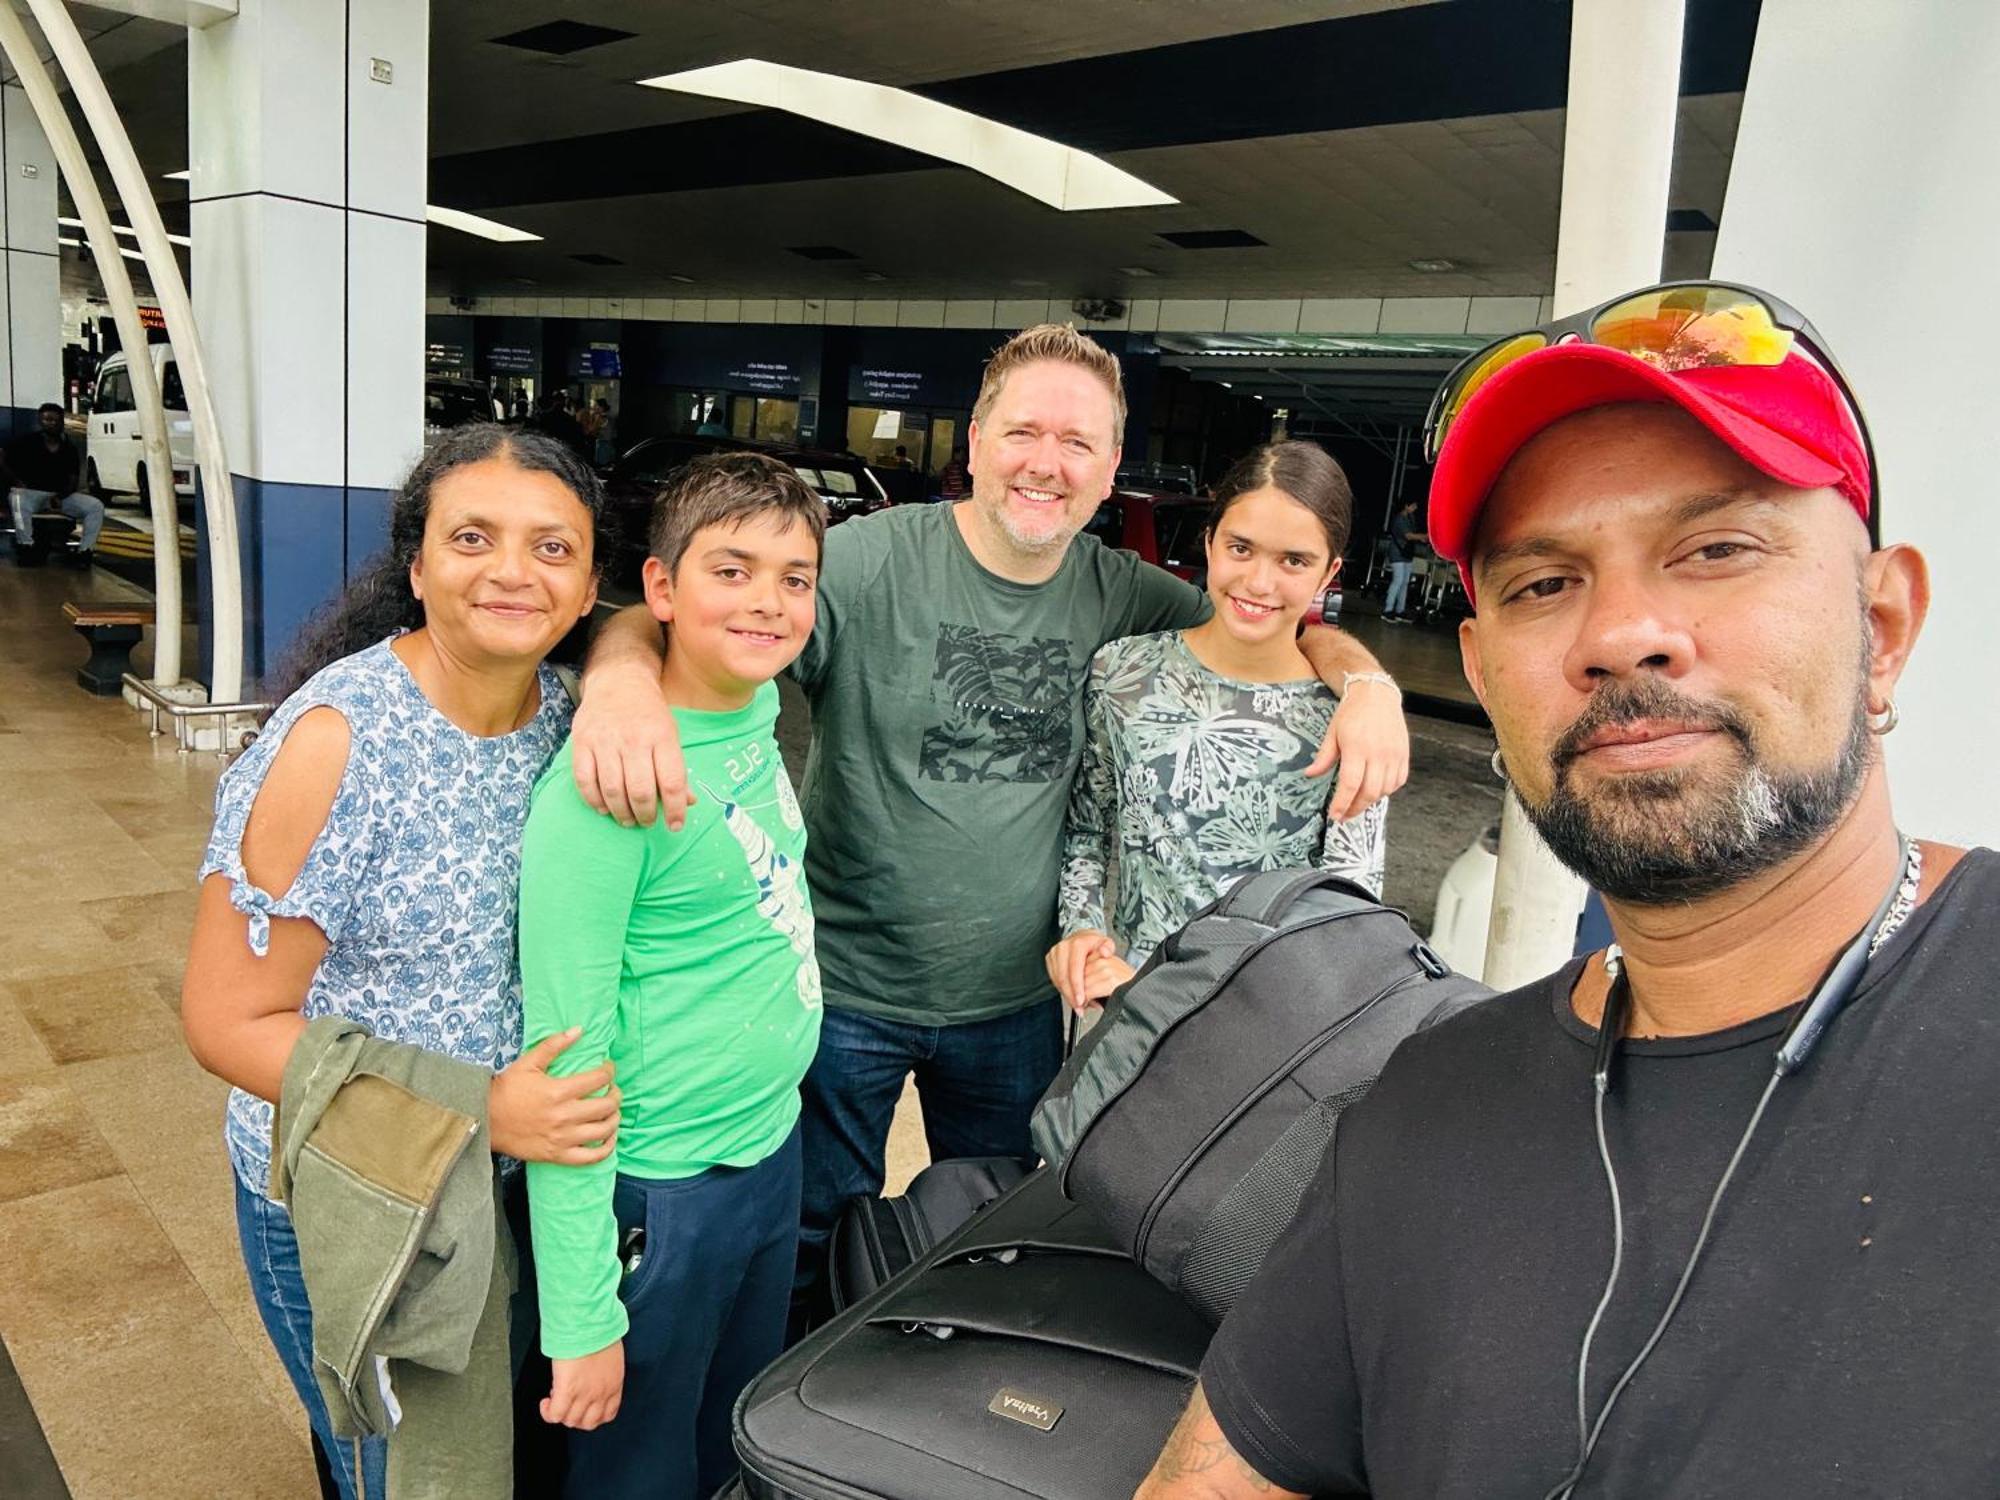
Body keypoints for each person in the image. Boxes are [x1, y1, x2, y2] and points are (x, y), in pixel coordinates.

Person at [1135, 282, 1995, 1500]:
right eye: (1542, 582)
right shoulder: (1424, 1109)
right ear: (1484, 674)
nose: (1623, 633)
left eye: (1713, 549)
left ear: (1882, 625)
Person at [571, 324, 1411, 1325]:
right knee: (807, 1245)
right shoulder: (865, 564)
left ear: (1106, 471)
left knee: (992, 1251)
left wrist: (1368, 684)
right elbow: (680, 613)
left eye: (1077, 443)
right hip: (844, 992)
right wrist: (619, 679)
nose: (1045, 464)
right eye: (1023, 431)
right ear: (973, 441)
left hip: (1017, 1004)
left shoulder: (1123, 596)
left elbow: (1268, 619)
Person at [179, 425, 617, 1500]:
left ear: (590, 582)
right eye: (473, 537)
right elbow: (228, 1022)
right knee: (401, 1476)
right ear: (416, 568)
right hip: (356, 1198)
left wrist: (631, 668)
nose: (513, 570)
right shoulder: (336, 745)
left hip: (502, 1193)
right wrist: (481, 1106)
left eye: (551, 547)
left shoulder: (569, 717)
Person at [518, 452, 827, 1498]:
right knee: (634, 1476)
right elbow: (564, 1059)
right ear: (660, 590)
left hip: (764, 1155)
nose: (767, 601)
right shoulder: (604, 789)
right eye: (730, 570)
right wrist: (581, 1315)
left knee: (720, 1448)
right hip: (662, 1194)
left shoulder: (748, 720)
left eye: (793, 578)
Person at [1049, 440, 1389, 1011]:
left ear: (1330, 573)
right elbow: (1085, 832)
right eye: (1241, 548)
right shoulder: (1122, 674)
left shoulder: (1348, 719)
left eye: (1294, 561)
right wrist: (1081, 930)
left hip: (1269, 1032)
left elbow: (1349, 910)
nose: (1259, 582)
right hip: (1129, 1017)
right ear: (1209, 542)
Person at [5, 402, 102, 563]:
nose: (52, 423)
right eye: (47, 420)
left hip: (59, 497)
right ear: (40, 422)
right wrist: (16, 481)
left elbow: (73, 480)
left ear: (62, 422)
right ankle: (26, 546)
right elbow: (3, 457)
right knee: (16, 498)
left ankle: (85, 551)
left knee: (95, 506)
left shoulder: (68, 448)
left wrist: (60, 497)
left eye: (56, 420)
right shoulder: (27, 442)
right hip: (30, 494)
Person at [1380, 495, 1427, 622]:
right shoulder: (1400, 519)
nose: (1415, 508)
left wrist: (1421, 537)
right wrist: (1424, 536)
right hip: (1397, 553)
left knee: (1404, 582)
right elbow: (1409, 536)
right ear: (1406, 506)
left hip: (1406, 554)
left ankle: (1400, 610)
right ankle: (1388, 610)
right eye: (1413, 505)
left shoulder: (1410, 518)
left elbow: (1413, 535)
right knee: (1398, 581)